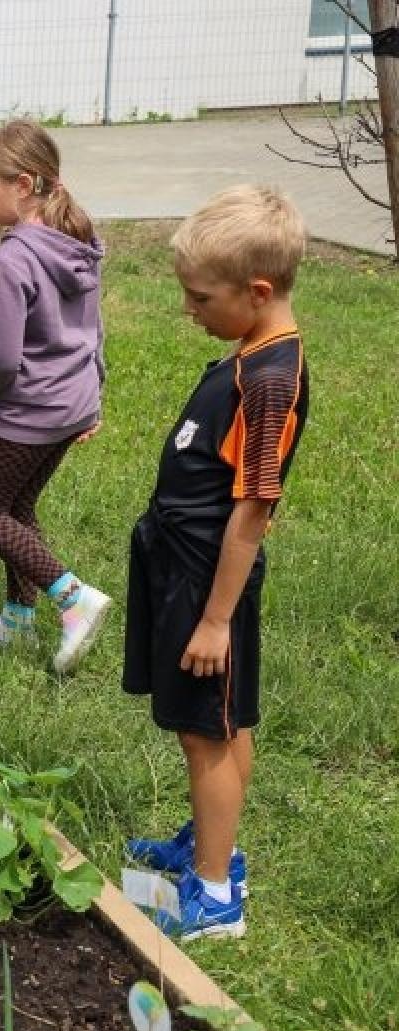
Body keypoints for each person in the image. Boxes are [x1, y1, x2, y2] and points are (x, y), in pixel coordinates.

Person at [123, 186, 309, 940]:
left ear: (256, 292)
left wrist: (216, 620)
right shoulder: (252, 354)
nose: (188, 309)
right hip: (183, 571)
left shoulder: (270, 382)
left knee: (206, 733)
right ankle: (210, 841)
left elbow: (252, 514)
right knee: (220, 726)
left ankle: (214, 896)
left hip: (207, 584)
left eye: (200, 297)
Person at [0, 120, 111, 674]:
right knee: (17, 508)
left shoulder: (11, 261)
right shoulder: (76, 246)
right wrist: (94, 395)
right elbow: (92, 331)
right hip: (71, 406)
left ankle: (74, 599)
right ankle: (17, 622)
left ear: (22, 185)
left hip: (27, 412)